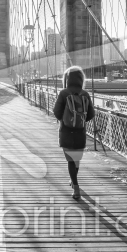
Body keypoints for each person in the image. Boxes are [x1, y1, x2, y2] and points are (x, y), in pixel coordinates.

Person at [51, 65, 95, 200]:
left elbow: (56, 112)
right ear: (81, 79)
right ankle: (73, 179)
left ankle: (76, 188)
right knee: (76, 160)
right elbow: (91, 115)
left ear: (67, 79)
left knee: (70, 161)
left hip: (66, 132)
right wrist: (80, 121)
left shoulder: (64, 93)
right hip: (80, 133)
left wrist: (65, 120)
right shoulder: (85, 94)